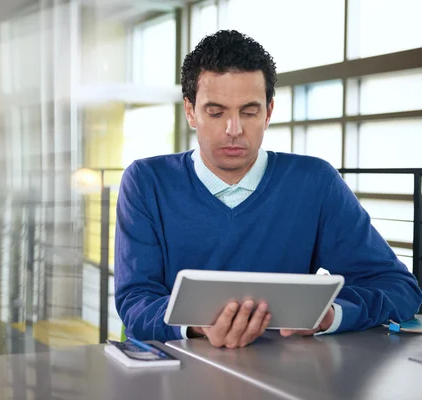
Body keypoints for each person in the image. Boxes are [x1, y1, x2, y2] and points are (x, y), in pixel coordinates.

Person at [114, 29, 422, 348]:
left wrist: (332, 314)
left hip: (290, 371)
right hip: (178, 370)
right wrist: (198, 325)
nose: (234, 130)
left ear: (269, 112)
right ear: (190, 111)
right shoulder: (147, 181)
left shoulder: (314, 182)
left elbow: (399, 288)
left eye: (249, 112)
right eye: (216, 112)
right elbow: (135, 303)